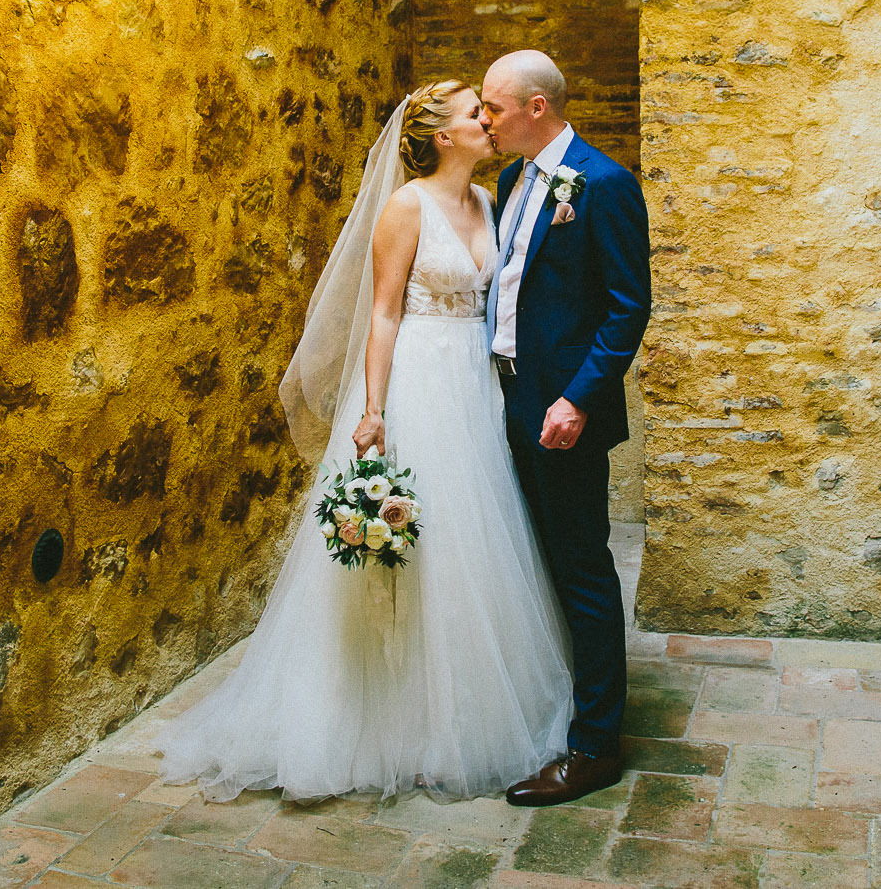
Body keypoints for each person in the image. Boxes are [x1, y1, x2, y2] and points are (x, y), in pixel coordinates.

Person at [156, 79, 573, 802]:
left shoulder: (487, 201)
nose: (487, 120)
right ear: (443, 135)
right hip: (420, 383)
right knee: (418, 546)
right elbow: (383, 313)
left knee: (473, 540)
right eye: (474, 112)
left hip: (475, 388)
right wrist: (375, 409)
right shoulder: (406, 207)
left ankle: (461, 710)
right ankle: (391, 717)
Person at [479, 50, 651, 806]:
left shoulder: (603, 184)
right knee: (534, 557)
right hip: (508, 398)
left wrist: (577, 399)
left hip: (563, 416)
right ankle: (557, 698)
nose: (486, 119)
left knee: (582, 566)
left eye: (494, 106)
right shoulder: (511, 183)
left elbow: (627, 308)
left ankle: (595, 747)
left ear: (536, 107)